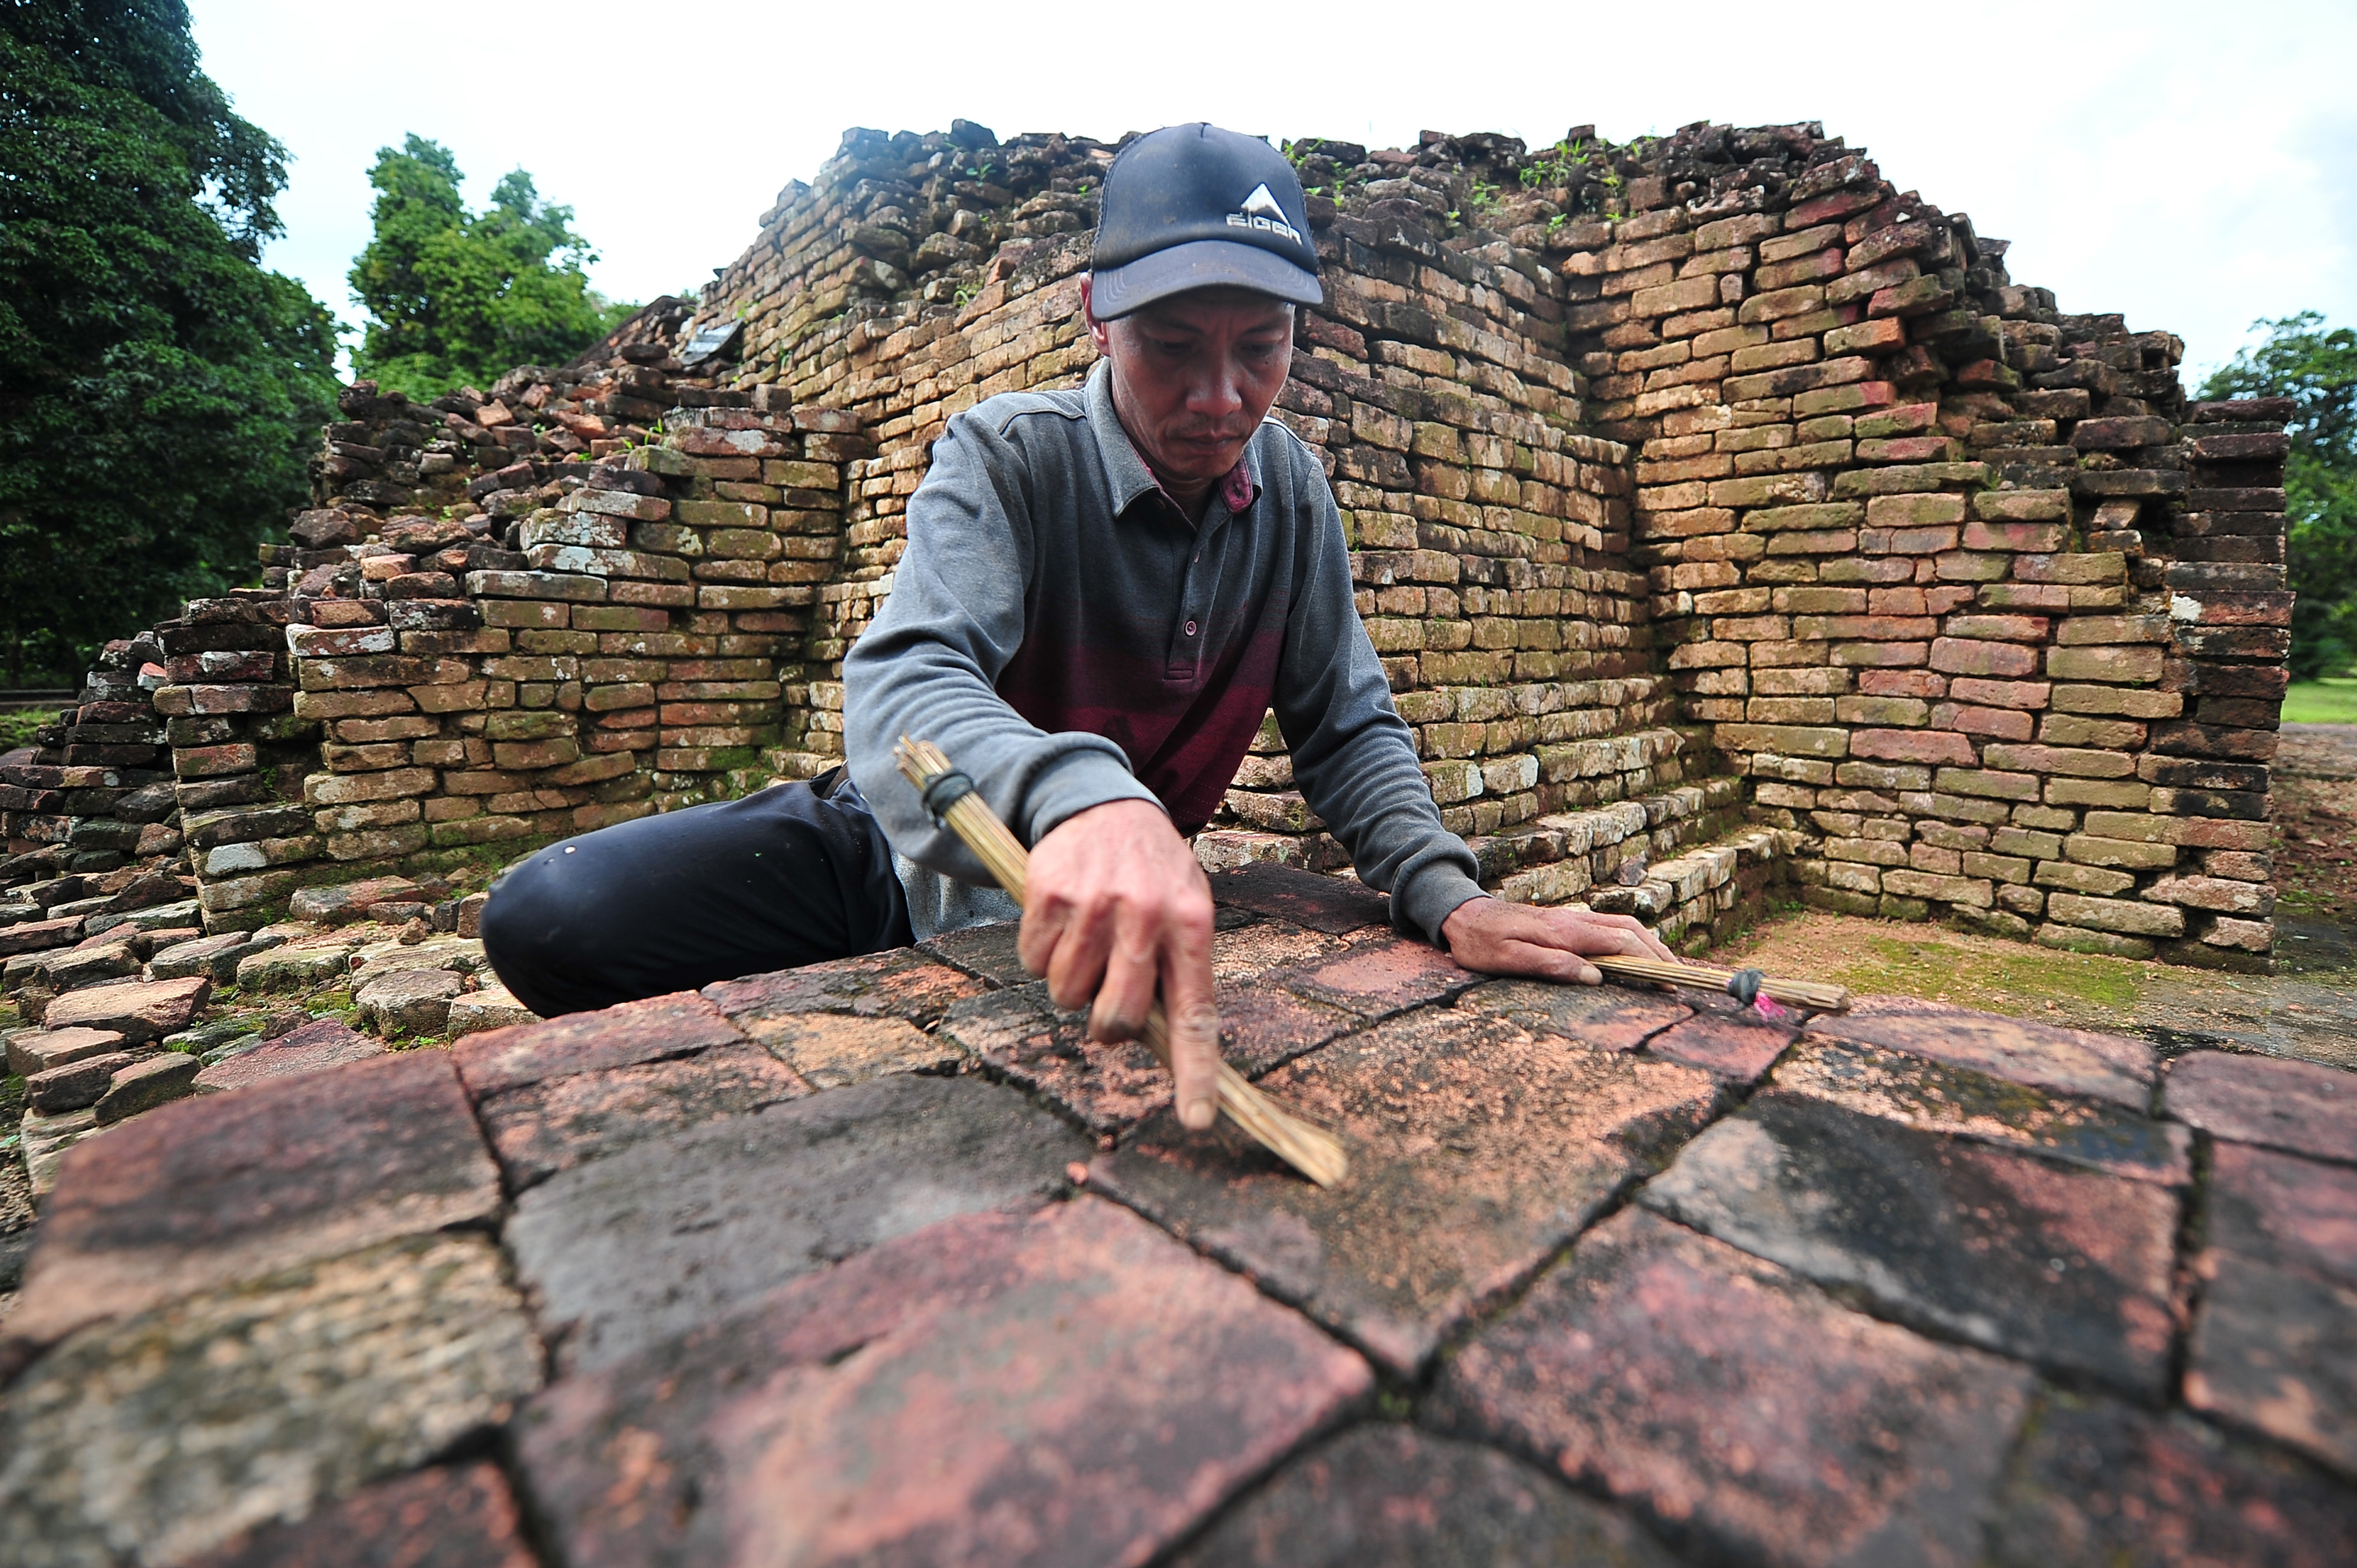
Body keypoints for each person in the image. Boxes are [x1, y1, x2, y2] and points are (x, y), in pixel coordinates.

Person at [481, 124, 1674, 1131]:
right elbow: (904, 683)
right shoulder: (1006, 455)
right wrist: (1088, 795)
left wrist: (1445, 894)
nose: (1221, 399)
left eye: (1260, 349)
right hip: (902, 860)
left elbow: (1345, 721)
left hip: (1093, 920)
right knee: (552, 916)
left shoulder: (1292, 492)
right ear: (1098, 315)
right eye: (1172, 347)